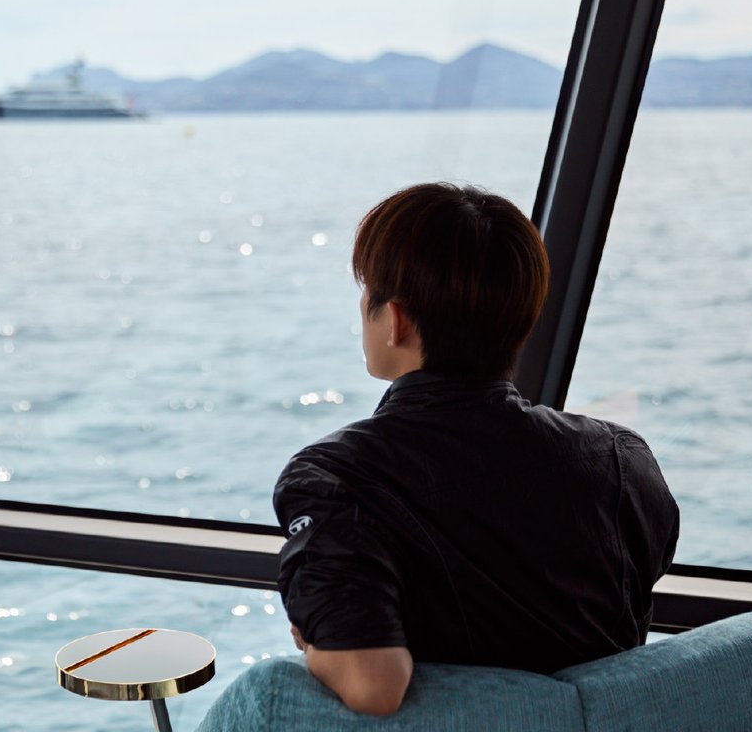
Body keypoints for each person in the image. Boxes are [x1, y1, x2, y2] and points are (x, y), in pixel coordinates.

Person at [274, 182, 679, 716]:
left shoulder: (334, 477)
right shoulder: (623, 459)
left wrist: (323, 635)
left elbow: (374, 684)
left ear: (395, 321)